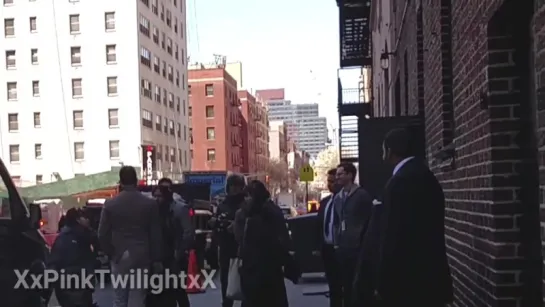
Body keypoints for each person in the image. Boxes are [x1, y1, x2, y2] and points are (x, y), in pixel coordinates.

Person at [376, 128, 452, 306]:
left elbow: (391, 236)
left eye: (383, 149)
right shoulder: (426, 176)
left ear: (390, 150)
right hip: (431, 277)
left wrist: (383, 282)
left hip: (407, 282)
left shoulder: (399, 183)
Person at [98, 166, 163, 307]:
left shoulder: (110, 204)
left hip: (119, 254)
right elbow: (155, 234)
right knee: (138, 298)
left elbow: (102, 234)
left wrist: (110, 253)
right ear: (136, 181)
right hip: (142, 253)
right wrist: (156, 258)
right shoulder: (149, 204)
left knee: (119, 298)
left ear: (120, 181)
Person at [233, 180, 290, 307]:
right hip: (272, 268)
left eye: (247, 195)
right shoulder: (274, 211)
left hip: (251, 269)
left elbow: (239, 238)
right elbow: (284, 239)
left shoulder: (243, 214)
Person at [148, 177, 194, 307]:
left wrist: (180, 252)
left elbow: (188, 232)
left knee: (178, 291)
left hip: (176, 256)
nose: (158, 198)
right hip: (160, 257)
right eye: (156, 195)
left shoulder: (179, 208)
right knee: (163, 293)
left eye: (161, 194)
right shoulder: (154, 211)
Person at [333, 162, 373, 307]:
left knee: (358, 286)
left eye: (340, 174)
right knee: (345, 285)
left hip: (358, 249)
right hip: (343, 249)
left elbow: (369, 222)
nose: (336, 177)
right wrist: (337, 242)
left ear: (350, 175)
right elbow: (337, 222)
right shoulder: (338, 198)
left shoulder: (362, 196)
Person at [209, 173, 246, 307]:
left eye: (237, 186)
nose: (235, 189)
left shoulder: (247, 204)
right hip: (226, 248)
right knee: (226, 283)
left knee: (244, 283)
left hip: (243, 248)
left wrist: (237, 227)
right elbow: (216, 227)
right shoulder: (223, 205)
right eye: (232, 186)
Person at [49, 208, 98, 307]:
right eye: (84, 217)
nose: (88, 220)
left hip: (67, 285)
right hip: (77, 284)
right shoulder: (81, 236)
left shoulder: (64, 236)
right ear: (78, 220)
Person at [315, 169, 342, 307]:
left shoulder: (345, 200)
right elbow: (319, 225)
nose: (330, 184)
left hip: (342, 250)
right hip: (327, 250)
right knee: (333, 287)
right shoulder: (325, 202)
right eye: (328, 181)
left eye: (333, 181)